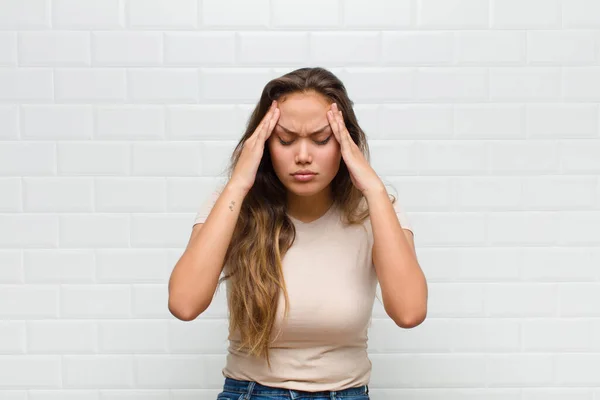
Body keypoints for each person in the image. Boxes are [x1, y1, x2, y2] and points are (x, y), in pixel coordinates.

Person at [168, 67, 428, 400]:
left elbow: (409, 312)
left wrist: (374, 189)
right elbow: (184, 304)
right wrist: (238, 183)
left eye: (321, 140)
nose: (303, 156)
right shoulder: (233, 204)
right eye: (286, 140)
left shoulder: (375, 208)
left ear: (345, 142)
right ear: (263, 144)